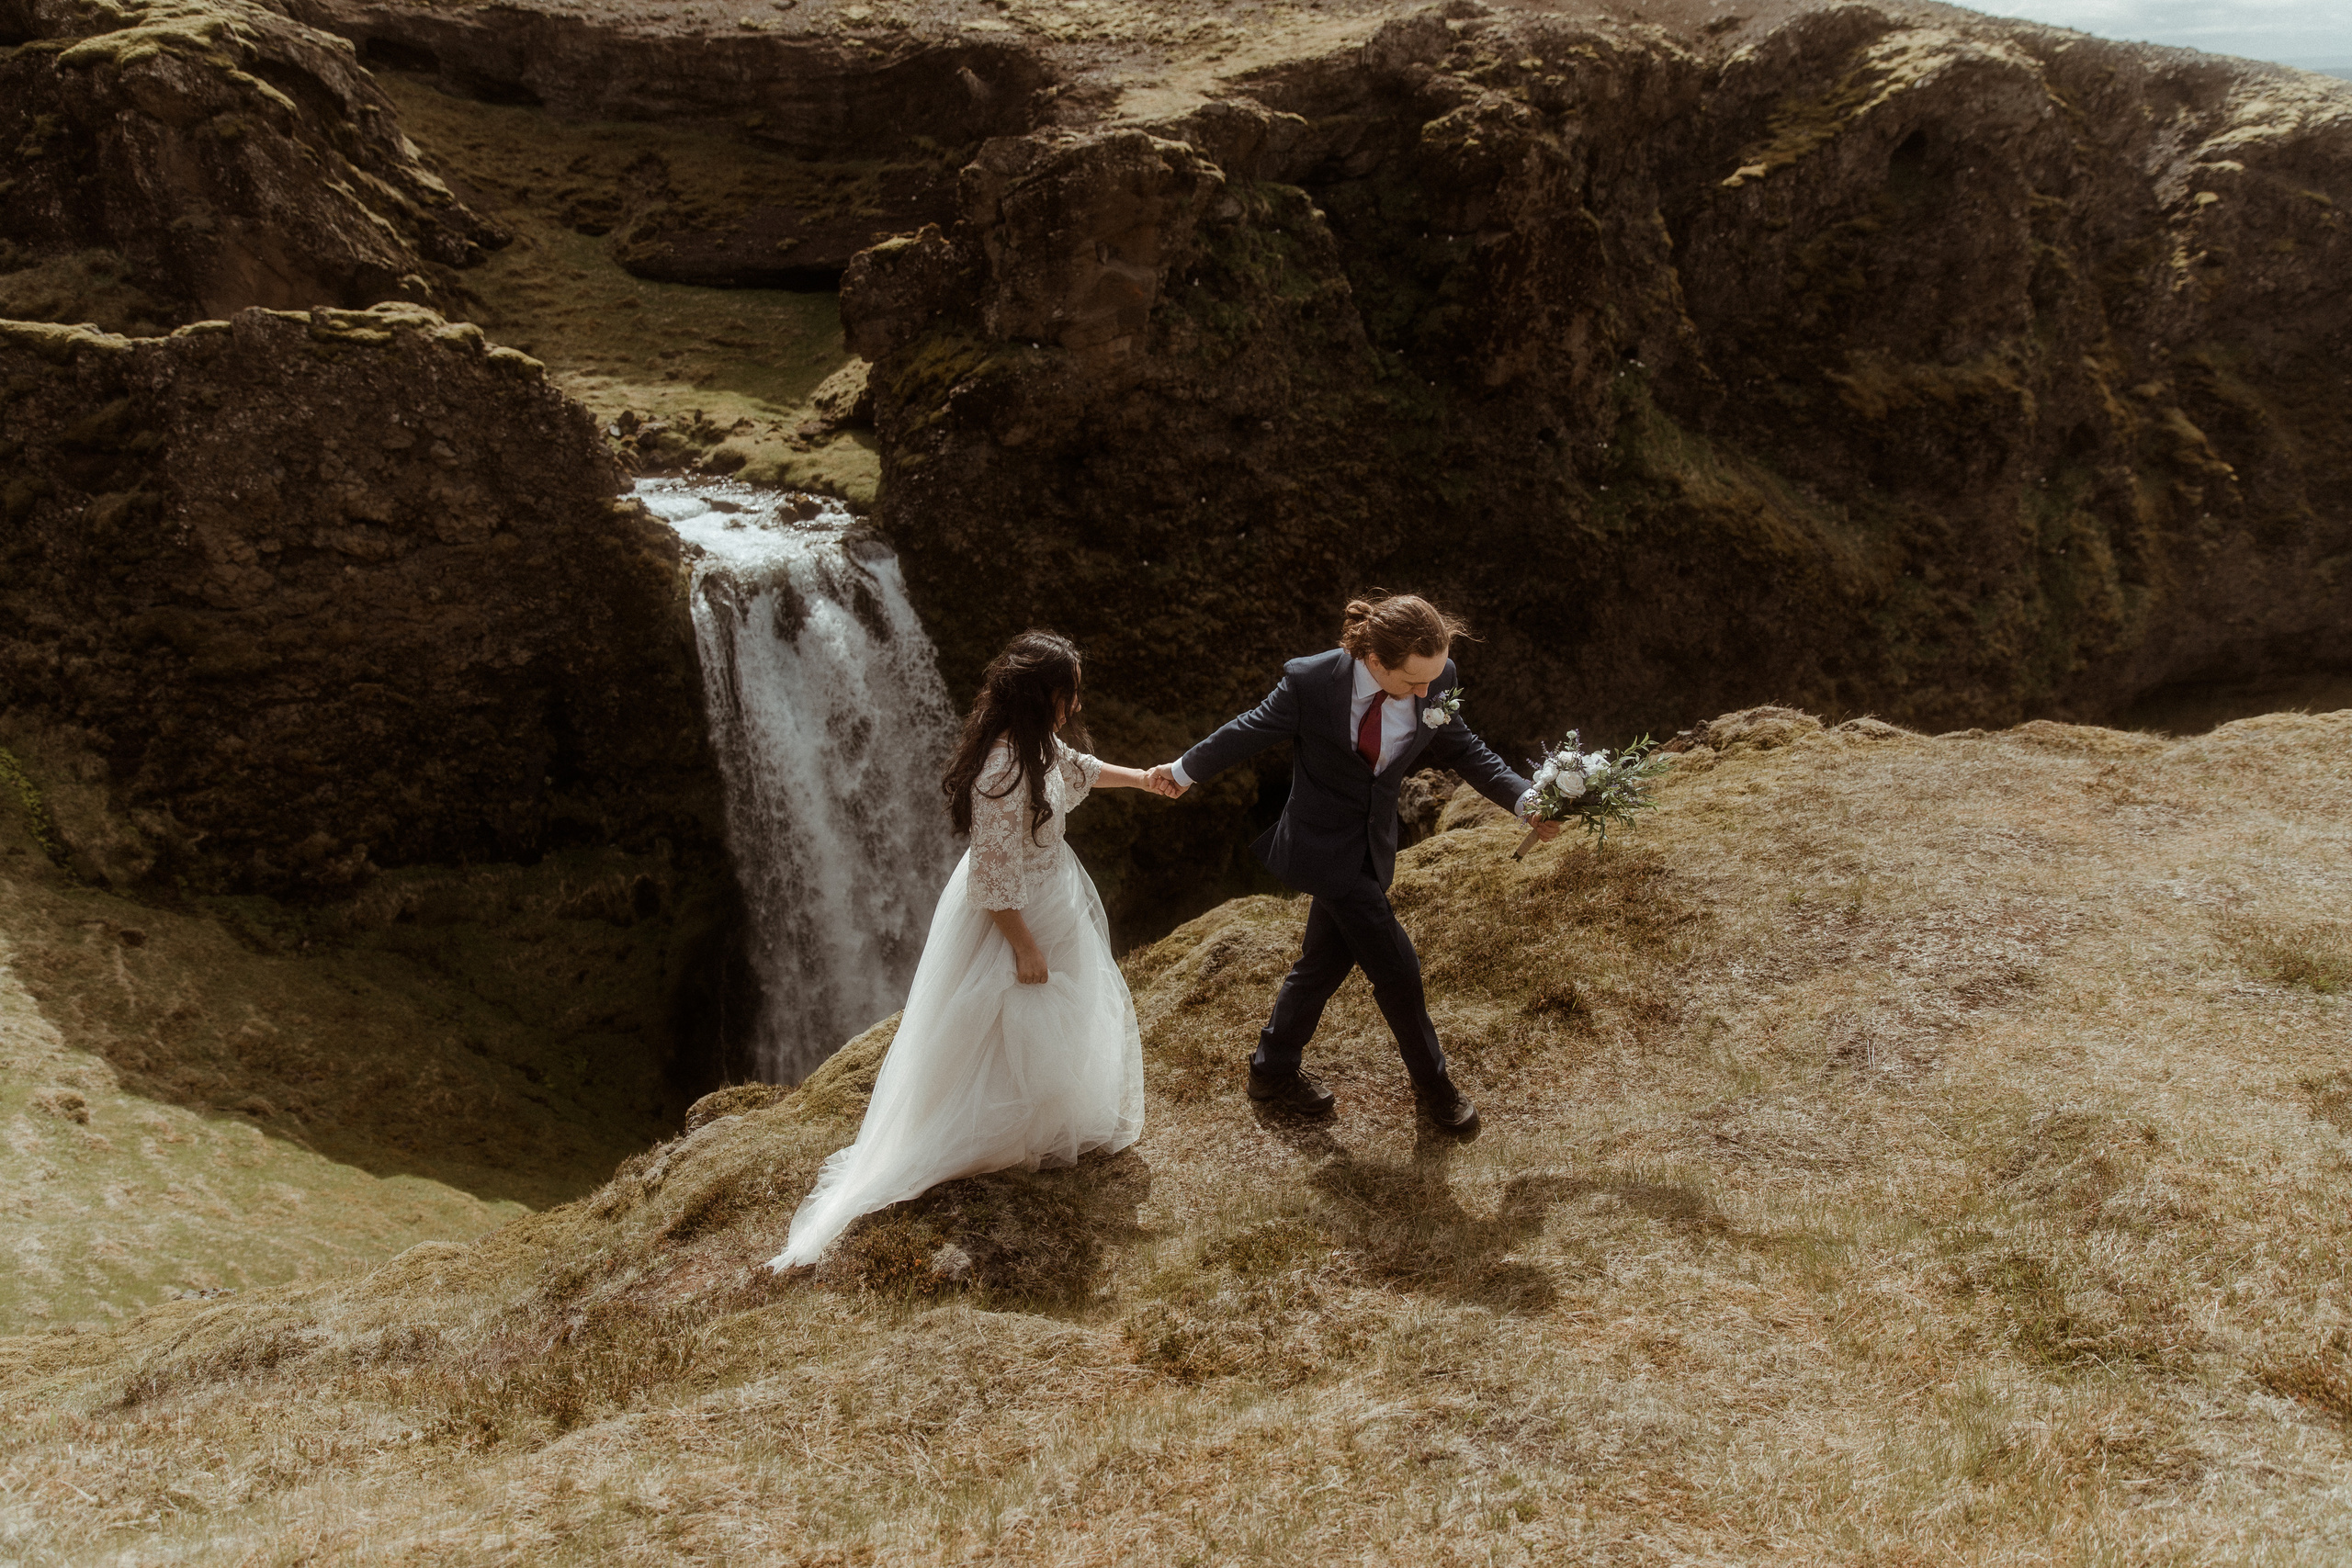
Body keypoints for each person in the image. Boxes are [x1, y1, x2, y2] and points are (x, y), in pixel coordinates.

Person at [770, 630, 1177, 1269]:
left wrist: (1147, 779)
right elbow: (992, 878)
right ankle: (997, 1131)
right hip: (1011, 912)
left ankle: (1047, 1119)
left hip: (1050, 893)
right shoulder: (1000, 770)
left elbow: (1080, 768)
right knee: (1001, 1020)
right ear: (1043, 695)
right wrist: (1024, 947)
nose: (1075, 702)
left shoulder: (1036, 745)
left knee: (1060, 1014)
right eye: (1068, 690)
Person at [1149, 594, 1558, 1137]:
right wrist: (1181, 772)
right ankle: (1436, 1090)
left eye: (1432, 680)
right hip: (1322, 848)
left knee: (1321, 964)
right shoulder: (1311, 682)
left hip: (1372, 845)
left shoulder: (1435, 676)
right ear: (1375, 658)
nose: (1425, 693)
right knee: (1398, 970)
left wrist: (1525, 800)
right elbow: (1246, 729)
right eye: (1413, 682)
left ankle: (1271, 1071)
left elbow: (1464, 748)